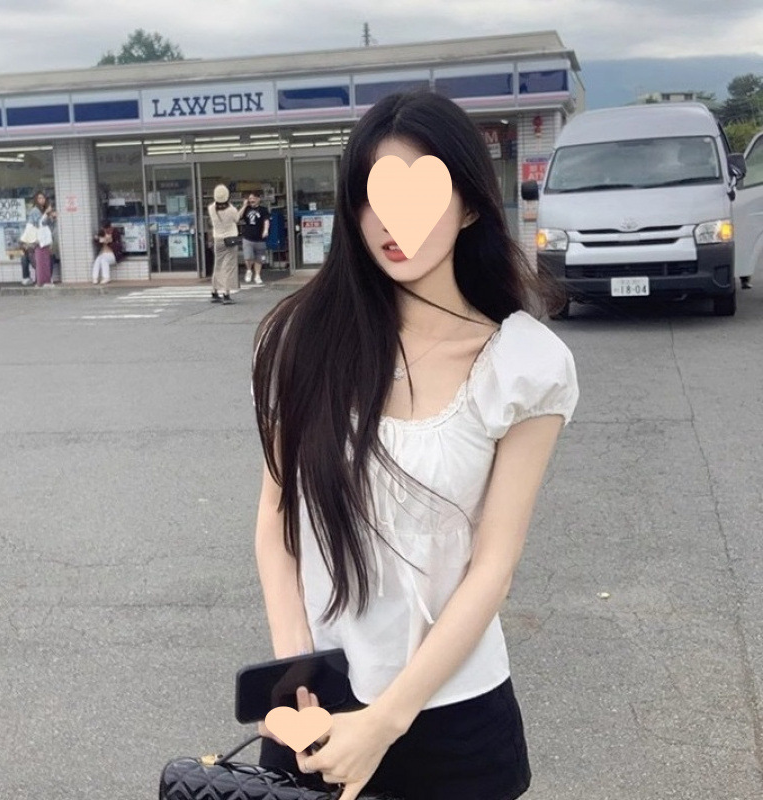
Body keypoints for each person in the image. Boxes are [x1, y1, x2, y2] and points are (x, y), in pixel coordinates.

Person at [251, 90, 580, 800]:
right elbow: (276, 529)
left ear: (469, 208)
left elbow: (493, 567)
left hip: (454, 715)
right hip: (317, 711)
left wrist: (386, 720)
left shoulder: (524, 365)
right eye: (374, 198)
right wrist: (298, 676)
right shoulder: (307, 339)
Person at [207, 184, 241, 304]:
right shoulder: (231, 210)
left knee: (218, 265)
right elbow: (237, 219)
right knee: (229, 267)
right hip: (230, 239)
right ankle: (226, 294)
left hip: (218, 239)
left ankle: (214, 291)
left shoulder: (211, 208)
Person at [241, 190, 270, 285]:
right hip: (248, 237)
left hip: (260, 238)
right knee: (248, 257)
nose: (251, 200)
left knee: (259, 259)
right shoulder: (246, 209)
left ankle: (257, 275)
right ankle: (249, 270)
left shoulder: (263, 210)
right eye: (250, 199)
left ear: (258, 199)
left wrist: (266, 230)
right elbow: (238, 216)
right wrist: (244, 205)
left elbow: (266, 221)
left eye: (253, 198)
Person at [27, 192, 56, 287]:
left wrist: (52, 217)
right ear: (36, 200)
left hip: (45, 239)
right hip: (39, 239)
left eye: (43, 198)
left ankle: (45, 281)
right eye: (39, 198)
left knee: (45, 260)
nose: (42, 200)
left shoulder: (43, 210)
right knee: (40, 260)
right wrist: (46, 214)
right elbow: (39, 223)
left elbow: (49, 225)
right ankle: (41, 282)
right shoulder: (35, 211)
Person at [92, 220, 121, 285]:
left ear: (110, 227)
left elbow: (118, 246)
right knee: (97, 260)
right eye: (104, 229)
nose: (105, 230)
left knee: (103, 260)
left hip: (113, 254)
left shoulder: (115, 232)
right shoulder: (101, 232)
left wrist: (109, 242)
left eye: (106, 228)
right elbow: (97, 241)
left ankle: (106, 277)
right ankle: (95, 278)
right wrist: (97, 239)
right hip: (103, 253)